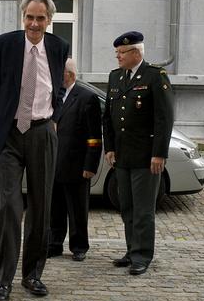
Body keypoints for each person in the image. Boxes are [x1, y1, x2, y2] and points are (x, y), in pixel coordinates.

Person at [0, 0, 69, 301]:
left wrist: (56, 116)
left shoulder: (58, 47)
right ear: (22, 16)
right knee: (10, 208)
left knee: (41, 208)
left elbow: (60, 87)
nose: (34, 23)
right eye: (30, 17)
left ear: (49, 20)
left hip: (42, 133)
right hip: (9, 135)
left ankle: (32, 274)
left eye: (41, 18)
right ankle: (4, 280)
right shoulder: (5, 44)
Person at [102, 31, 174, 276]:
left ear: (136, 53)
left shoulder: (155, 77)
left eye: (122, 53)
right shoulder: (115, 77)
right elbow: (108, 118)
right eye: (117, 53)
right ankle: (131, 249)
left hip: (146, 156)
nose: (118, 56)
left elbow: (164, 118)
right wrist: (109, 147)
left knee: (143, 209)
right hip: (122, 155)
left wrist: (159, 154)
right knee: (127, 206)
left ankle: (142, 255)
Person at [48, 58, 102, 262]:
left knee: (77, 209)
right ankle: (54, 244)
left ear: (68, 75)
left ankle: (79, 246)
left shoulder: (86, 97)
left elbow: (94, 136)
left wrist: (90, 165)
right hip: (55, 163)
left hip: (77, 165)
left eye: (58, 74)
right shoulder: (55, 97)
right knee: (56, 208)